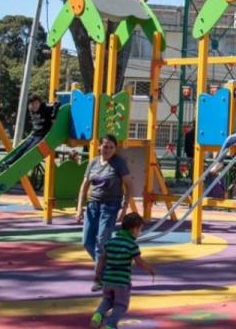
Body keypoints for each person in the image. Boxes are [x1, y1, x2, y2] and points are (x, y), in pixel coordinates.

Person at [76, 134, 133, 292]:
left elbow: (129, 186)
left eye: (111, 147)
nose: (107, 149)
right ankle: (111, 270)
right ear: (99, 146)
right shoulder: (93, 162)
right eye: (105, 146)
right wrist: (79, 207)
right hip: (93, 205)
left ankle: (99, 278)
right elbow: (84, 186)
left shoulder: (119, 163)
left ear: (115, 149)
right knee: (87, 242)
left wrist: (124, 206)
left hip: (110, 206)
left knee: (102, 242)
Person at [90, 213, 155, 329]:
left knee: (107, 300)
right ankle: (111, 325)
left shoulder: (110, 242)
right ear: (133, 229)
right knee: (120, 305)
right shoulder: (132, 245)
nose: (139, 233)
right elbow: (139, 262)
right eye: (139, 230)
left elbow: (101, 259)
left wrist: (98, 274)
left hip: (107, 280)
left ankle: (98, 315)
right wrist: (149, 269)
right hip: (122, 282)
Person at [0, 95, 56, 173]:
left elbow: (56, 106)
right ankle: (4, 164)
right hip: (34, 134)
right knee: (20, 150)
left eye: (36, 103)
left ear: (40, 103)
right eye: (32, 104)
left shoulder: (46, 109)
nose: (34, 106)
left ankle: (9, 167)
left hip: (42, 135)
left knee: (27, 151)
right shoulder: (31, 110)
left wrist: (54, 116)